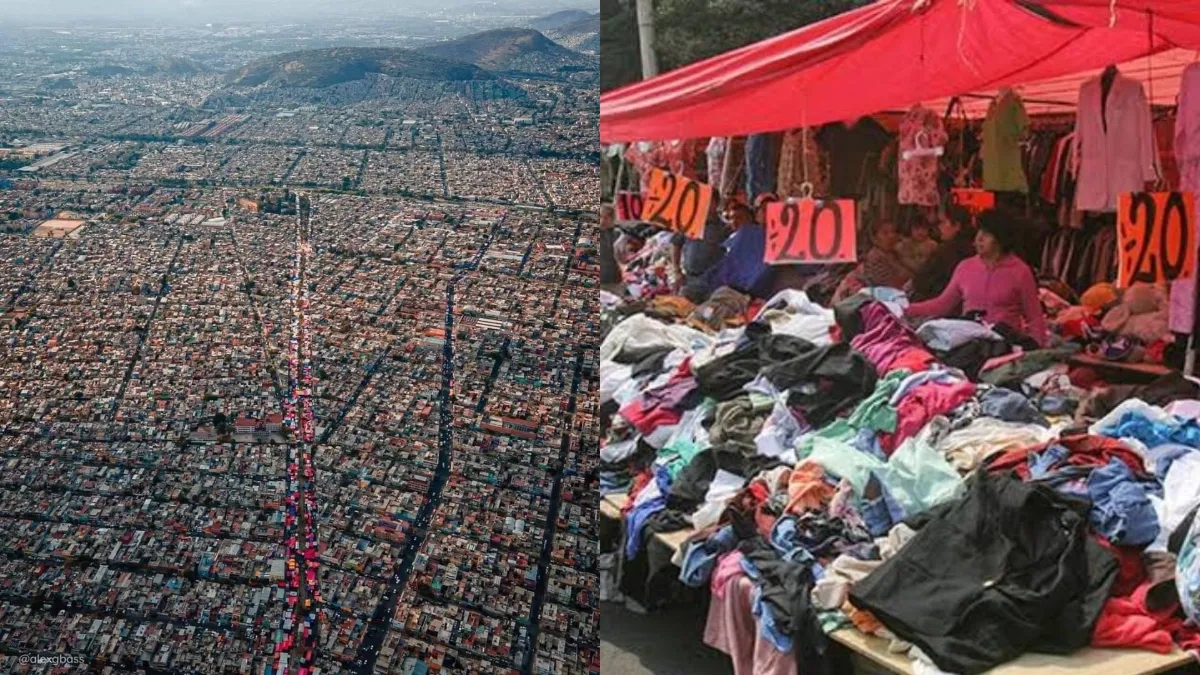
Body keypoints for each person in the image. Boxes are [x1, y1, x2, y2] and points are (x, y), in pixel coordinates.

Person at [906, 209, 1049, 347]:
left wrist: (1037, 347)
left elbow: (1035, 317)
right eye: (979, 232)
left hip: (1004, 345)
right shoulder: (965, 267)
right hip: (969, 345)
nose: (979, 239)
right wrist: (905, 309)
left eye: (986, 234)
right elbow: (942, 304)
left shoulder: (1020, 271)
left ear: (1001, 239)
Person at [832, 220, 912, 302]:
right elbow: (889, 285)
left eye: (894, 232)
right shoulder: (875, 257)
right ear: (875, 238)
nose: (891, 236)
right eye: (885, 233)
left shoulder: (895, 253)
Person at [908, 205, 976, 302]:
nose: (940, 227)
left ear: (956, 225)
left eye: (943, 222)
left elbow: (922, 281)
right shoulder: (971, 248)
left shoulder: (947, 251)